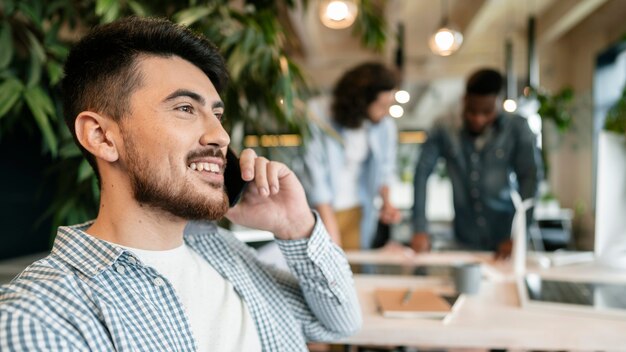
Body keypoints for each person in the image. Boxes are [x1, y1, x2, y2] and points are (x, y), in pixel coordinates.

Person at [0, 17, 361, 351]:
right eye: (185, 108)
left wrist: (295, 227)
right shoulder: (41, 315)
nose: (220, 135)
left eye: (217, 115)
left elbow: (340, 323)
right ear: (102, 137)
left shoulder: (225, 253)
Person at [410, 68, 542, 259]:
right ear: (464, 100)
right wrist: (420, 228)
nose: (478, 118)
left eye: (487, 112)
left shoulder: (517, 128)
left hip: (506, 238)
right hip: (464, 238)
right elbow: (422, 173)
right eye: (472, 111)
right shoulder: (443, 128)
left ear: (499, 101)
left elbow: (530, 176)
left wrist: (519, 235)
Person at [300, 62, 402, 251]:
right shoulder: (318, 113)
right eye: (381, 105)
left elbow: (386, 168)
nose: (386, 112)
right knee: (327, 264)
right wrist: (332, 239)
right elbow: (316, 178)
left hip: (359, 210)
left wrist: (387, 203)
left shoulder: (385, 126)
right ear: (362, 101)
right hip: (323, 210)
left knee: (355, 269)